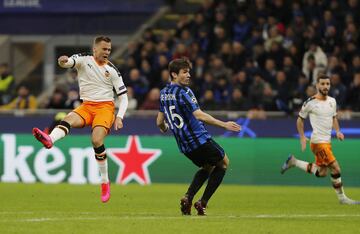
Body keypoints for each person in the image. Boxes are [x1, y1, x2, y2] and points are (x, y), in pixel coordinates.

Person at [32, 36, 128, 203]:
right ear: (95, 48)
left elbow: (124, 97)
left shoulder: (112, 70)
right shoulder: (84, 59)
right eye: (104, 49)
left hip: (105, 108)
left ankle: (105, 182)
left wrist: (119, 116)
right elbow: (68, 62)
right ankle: (50, 140)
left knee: (96, 140)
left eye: (109, 50)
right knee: (68, 118)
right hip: (87, 106)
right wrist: (62, 61)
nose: (107, 52)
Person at [156, 58, 241, 215]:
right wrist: (224, 124)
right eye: (184, 72)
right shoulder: (184, 92)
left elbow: (159, 122)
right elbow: (200, 116)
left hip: (184, 146)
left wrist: (165, 128)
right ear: (174, 74)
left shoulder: (163, 94)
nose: (188, 75)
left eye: (189, 71)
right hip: (199, 139)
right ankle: (202, 203)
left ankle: (188, 198)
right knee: (223, 163)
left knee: (207, 167)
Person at [281, 73, 359, 205]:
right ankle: (342, 198)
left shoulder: (332, 101)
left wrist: (338, 131)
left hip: (327, 142)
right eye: (322, 84)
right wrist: (302, 137)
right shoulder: (310, 103)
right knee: (336, 168)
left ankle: (294, 162)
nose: (325, 86)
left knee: (322, 172)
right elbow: (300, 120)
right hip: (318, 142)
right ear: (317, 85)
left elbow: (333, 117)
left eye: (327, 84)